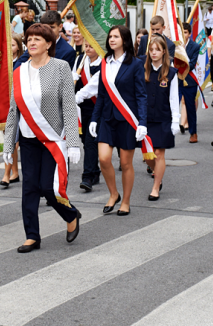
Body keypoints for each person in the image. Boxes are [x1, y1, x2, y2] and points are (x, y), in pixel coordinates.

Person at [2, 23, 82, 253]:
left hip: (53, 139)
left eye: (38, 39)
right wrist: (8, 143)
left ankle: (71, 214)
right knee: (30, 188)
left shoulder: (60, 67)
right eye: (29, 39)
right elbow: (12, 111)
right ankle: (32, 236)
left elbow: (68, 105)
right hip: (28, 138)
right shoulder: (18, 71)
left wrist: (73, 143)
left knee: (49, 188)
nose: (32, 42)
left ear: (49, 44)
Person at [89, 25, 147, 216]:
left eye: (116, 36)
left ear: (125, 39)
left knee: (125, 163)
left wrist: (142, 122)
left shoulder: (136, 64)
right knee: (104, 159)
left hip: (127, 119)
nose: (112, 39)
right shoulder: (105, 63)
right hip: (107, 118)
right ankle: (114, 194)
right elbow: (102, 94)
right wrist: (94, 119)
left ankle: (126, 201)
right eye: (110, 36)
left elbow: (141, 95)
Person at [143, 34, 179, 200]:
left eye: (157, 50)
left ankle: (155, 187)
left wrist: (176, 120)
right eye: (151, 50)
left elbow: (173, 98)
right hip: (146, 119)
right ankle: (158, 173)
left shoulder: (170, 73)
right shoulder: (143, 70)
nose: (154, 53)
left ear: (164, 51)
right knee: (147, 155)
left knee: (159, 153)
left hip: (164, 118)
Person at [74, 42, 102, 191]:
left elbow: (92, 88)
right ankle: (95, 171)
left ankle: (87, 177)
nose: (88, 48)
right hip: (82, 108)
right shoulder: (80, 61)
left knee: (91, 141)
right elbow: (73, 79)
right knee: (85, 140)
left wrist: (75, 98)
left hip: (96, 107)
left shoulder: (103, 63)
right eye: (86, 45)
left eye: (92, 45)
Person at [1, 35, 24, 188]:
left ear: (19, 47)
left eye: (13, 45)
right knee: (10, 138)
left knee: (13, 140)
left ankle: (6, 175)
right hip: (5, 104)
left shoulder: (21, 63)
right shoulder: (2, 63)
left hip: (19, 104)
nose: (10, 48)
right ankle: (15, 172)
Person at [180, 22, 200, 143]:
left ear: (189, 34)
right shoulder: (173, 45)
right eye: (181, 32)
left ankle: (193, 132)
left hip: (189, 80)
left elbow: (191, 65)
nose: (183, 35)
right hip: (175, 79)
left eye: (185, 32)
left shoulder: (195, 46)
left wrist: (182, 52)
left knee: (190, 107)